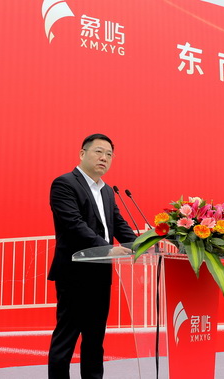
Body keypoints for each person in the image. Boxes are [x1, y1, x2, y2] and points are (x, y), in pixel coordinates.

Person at [47, 134, 135, 379]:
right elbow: (74, 225)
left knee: (95, 338)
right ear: (82, 153)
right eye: (98, 152)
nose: (104, 158)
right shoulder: (64, 184)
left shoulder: (107, 191)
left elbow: (119, 225)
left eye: (109, 154)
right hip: (74, 272)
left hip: (100, 273)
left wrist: (143, 246)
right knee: (67, 337)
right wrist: (107, 248)